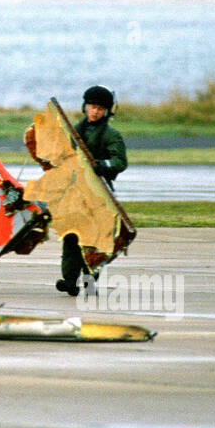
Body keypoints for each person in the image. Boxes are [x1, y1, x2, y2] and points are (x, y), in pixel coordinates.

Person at [56, 84, 127, 294]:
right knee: (70, 238)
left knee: (94, 240)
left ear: (106, 111)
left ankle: (90, 281)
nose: (94, 111)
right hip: (73, 192)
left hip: (99, 193)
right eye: (91, 107)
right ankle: (69, 281)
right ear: (84, 107)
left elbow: (119, 162)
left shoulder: (111, 136)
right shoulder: (72, 132)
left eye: (99, 108)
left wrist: (100, 165)